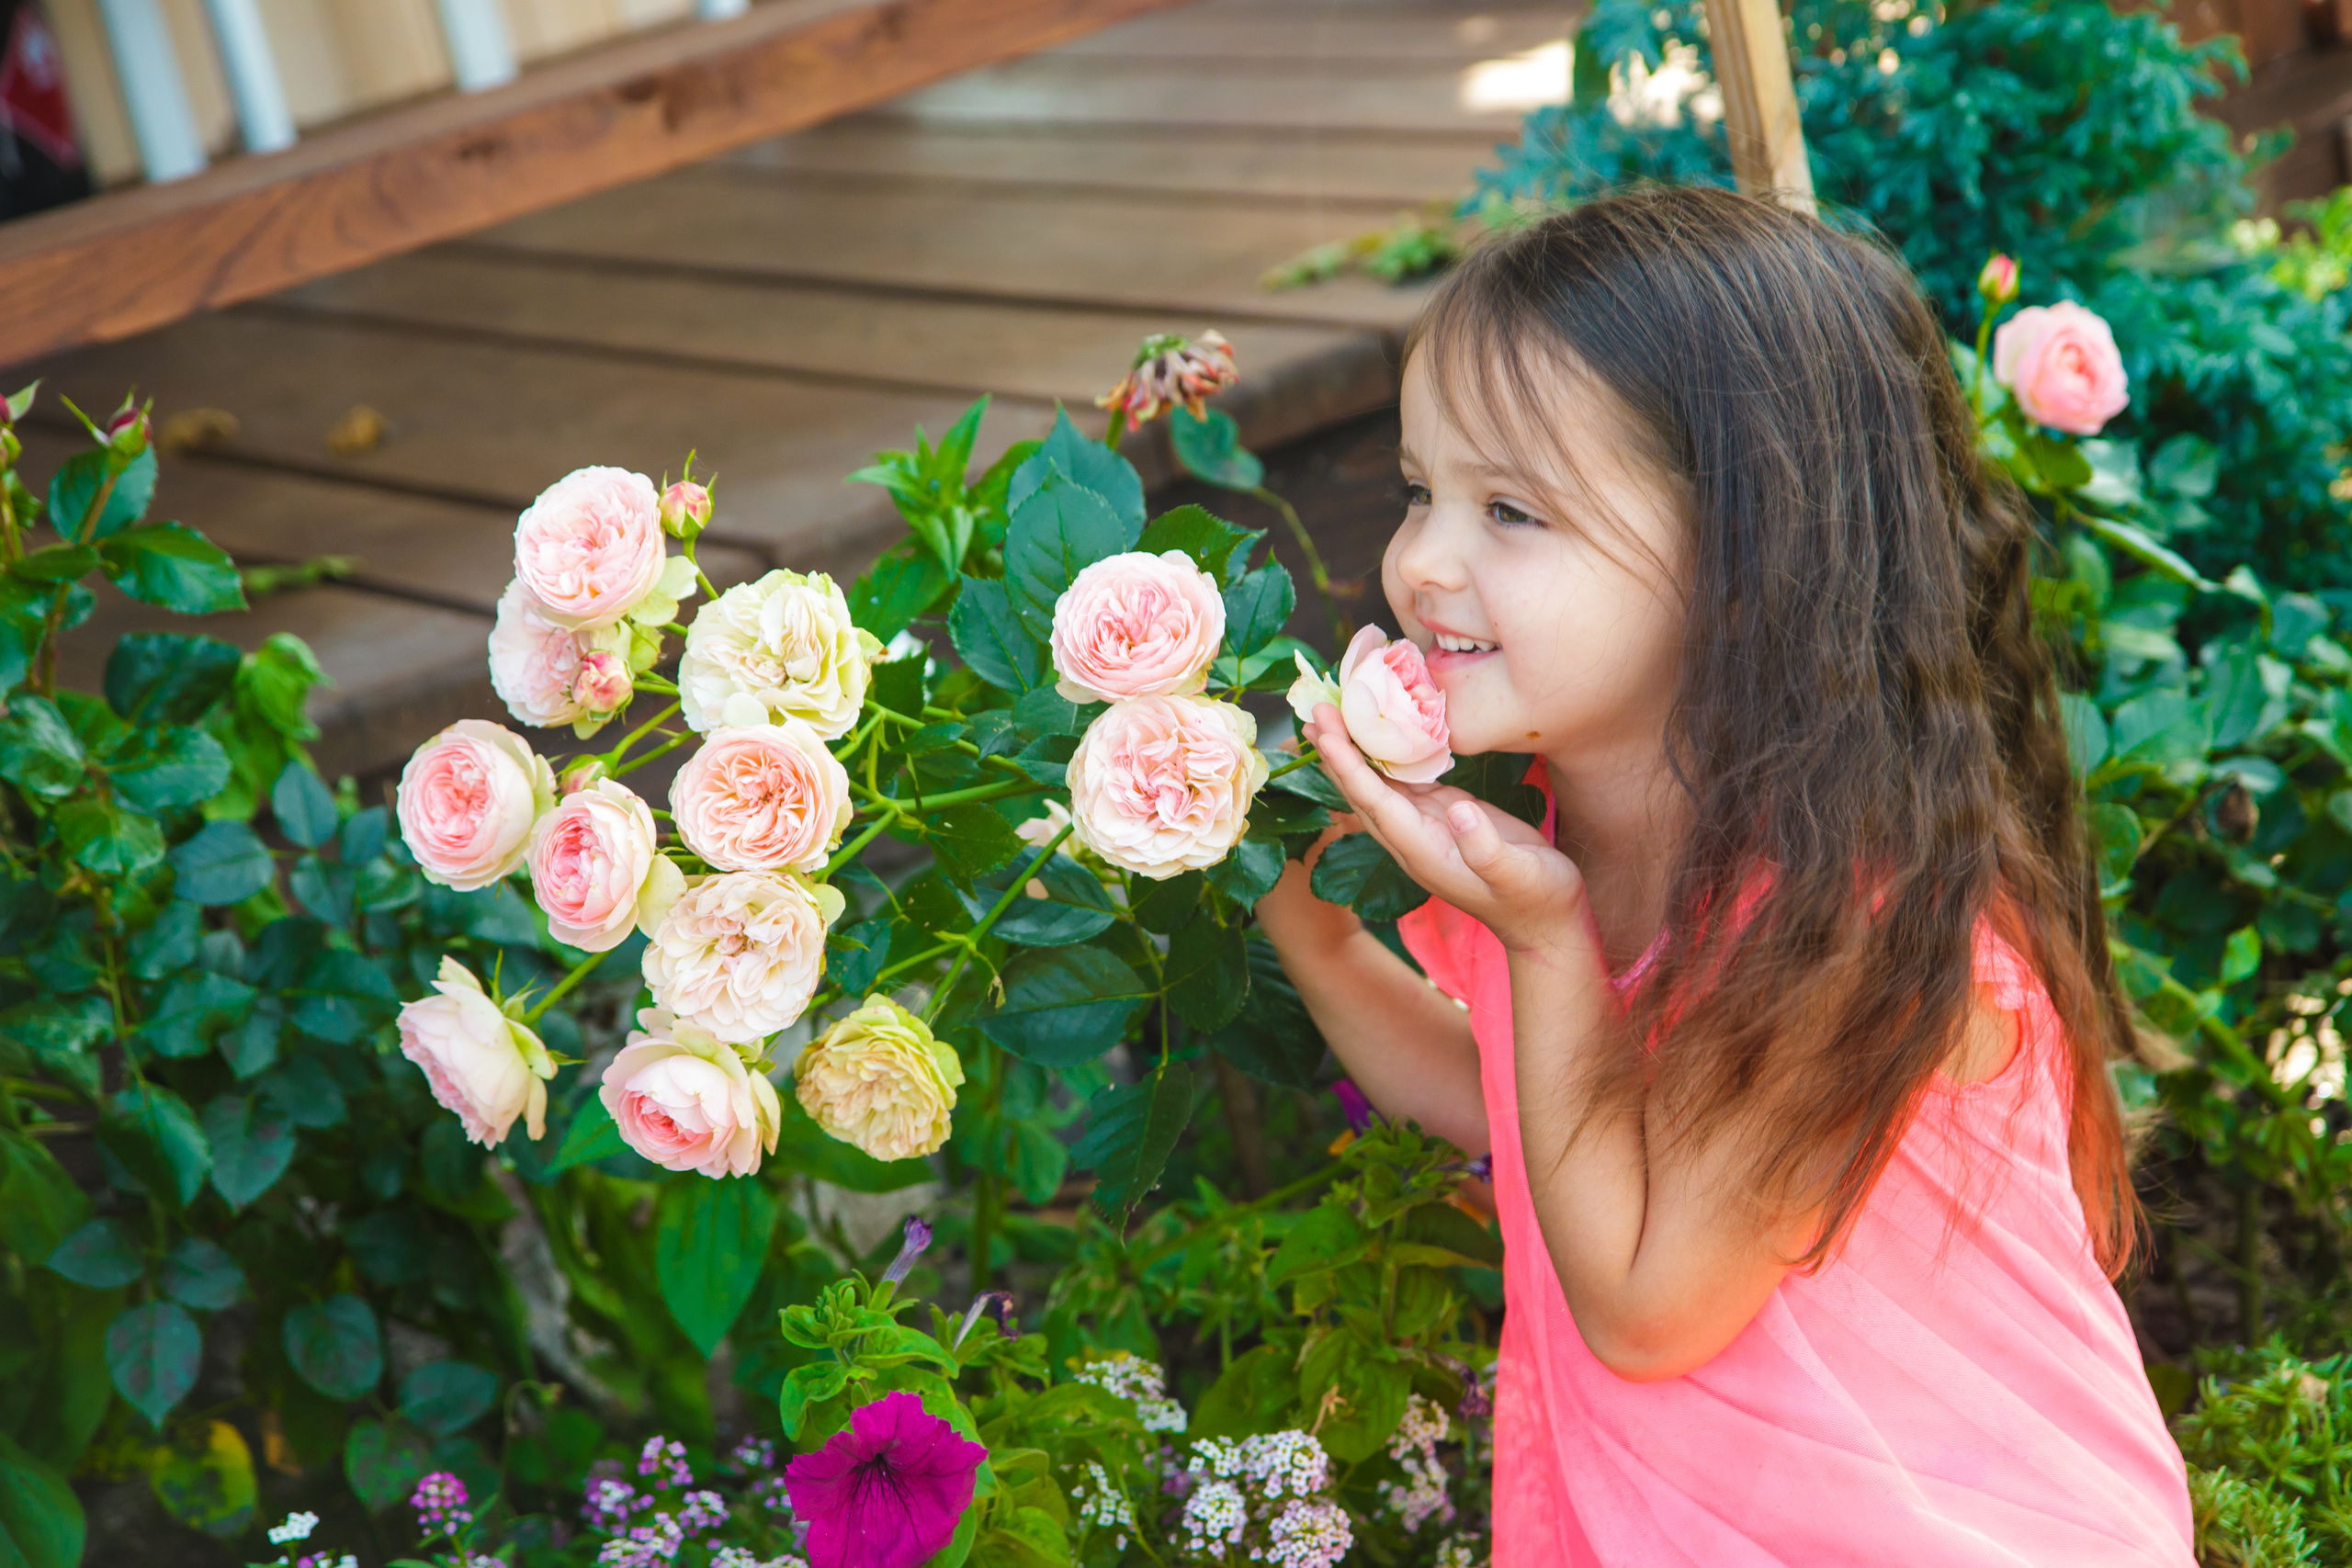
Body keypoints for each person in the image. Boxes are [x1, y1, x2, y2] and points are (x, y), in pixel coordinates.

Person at [1253, 186, 2197, 1566]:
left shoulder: (1850, 919)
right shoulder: (1564, 820)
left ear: (1747, 566)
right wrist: (1309, 923)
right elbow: (1513, 1106)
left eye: (1509, 509)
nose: (1418, 563)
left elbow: (1647, 1310)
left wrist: (1547, 939)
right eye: (1418, 491)